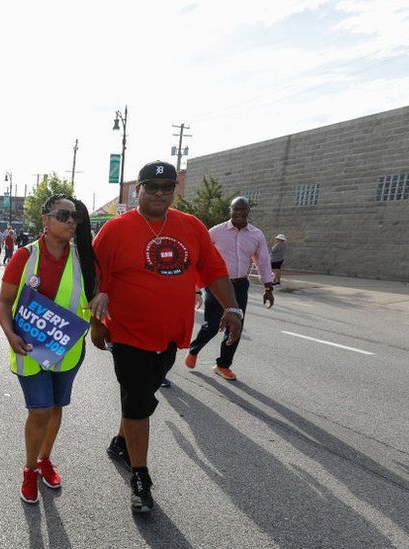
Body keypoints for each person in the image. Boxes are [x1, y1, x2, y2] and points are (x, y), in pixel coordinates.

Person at [91, 160, 242, 514]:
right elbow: (95, 277)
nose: (160, 193)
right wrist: (96, 321)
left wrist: (232, 309)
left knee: (141, 394)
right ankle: (141, 478)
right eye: (152, 187)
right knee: (139, 400)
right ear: (138, 190)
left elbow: (214, 270)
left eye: (167, 187)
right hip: (127, 332)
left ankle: (119, 441)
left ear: (174, 190)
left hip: (171, 334)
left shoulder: (191, 227)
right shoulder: (115, 230)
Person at [0, 195, 99, 504]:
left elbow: (96, 295)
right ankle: (30, 469)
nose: (71, 221)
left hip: (67, 351)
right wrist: (9, 334)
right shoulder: (25, 257)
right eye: (63, 215)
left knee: (55, 408)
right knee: (39, 410)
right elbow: (3, 302)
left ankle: (45, 459)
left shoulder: (85, 260)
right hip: (28, 349)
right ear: (46, 220)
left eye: (75, 217)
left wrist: (101, 298)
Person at [185, 197, 274, 381]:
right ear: (230, 210)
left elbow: (263, 261)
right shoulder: (216, 232)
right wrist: (196, 288)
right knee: (211, 326)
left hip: (240, 285)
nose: (240, 213)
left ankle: (223, 365)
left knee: (235, 326)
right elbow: (200, 260)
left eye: (243, 209)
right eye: (236, 209)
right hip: (216, 284)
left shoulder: (256, 235)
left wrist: (268, 287)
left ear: (248, 211)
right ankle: (194, 350)